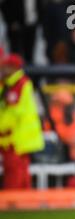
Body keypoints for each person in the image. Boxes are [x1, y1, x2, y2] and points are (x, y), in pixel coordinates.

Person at [0, 54, 44, 189]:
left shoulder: (17, 85)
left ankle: (13, 204)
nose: (3, 69)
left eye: (6, 67)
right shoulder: (12, 83)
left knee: (14, 174)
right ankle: (24, 204)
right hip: (20, 138)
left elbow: (13, 114)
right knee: (22, 174)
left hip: (15, 138)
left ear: (13, 68)